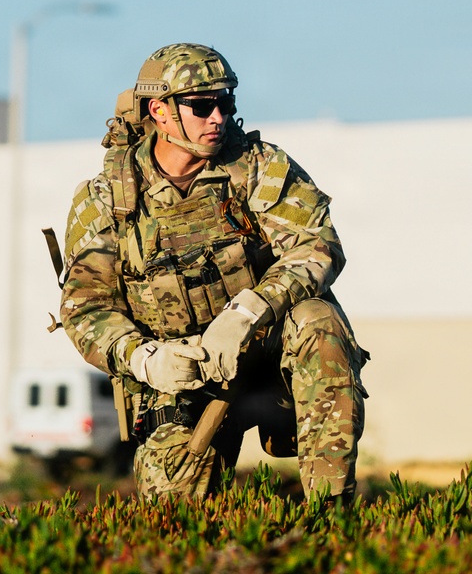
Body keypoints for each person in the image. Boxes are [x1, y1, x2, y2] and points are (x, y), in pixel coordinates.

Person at [61, 43, 368, 501]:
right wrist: (145, 358)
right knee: (173, 513)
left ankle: (333, 518)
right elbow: (86, 308)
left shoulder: (258, 167)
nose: (218, 118)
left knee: (318, 320)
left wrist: (250, 311)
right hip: (184, 378)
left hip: (269, 353)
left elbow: (316, 245)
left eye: (226, 102)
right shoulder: (108, 199)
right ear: (160, 111)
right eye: (202, 106)